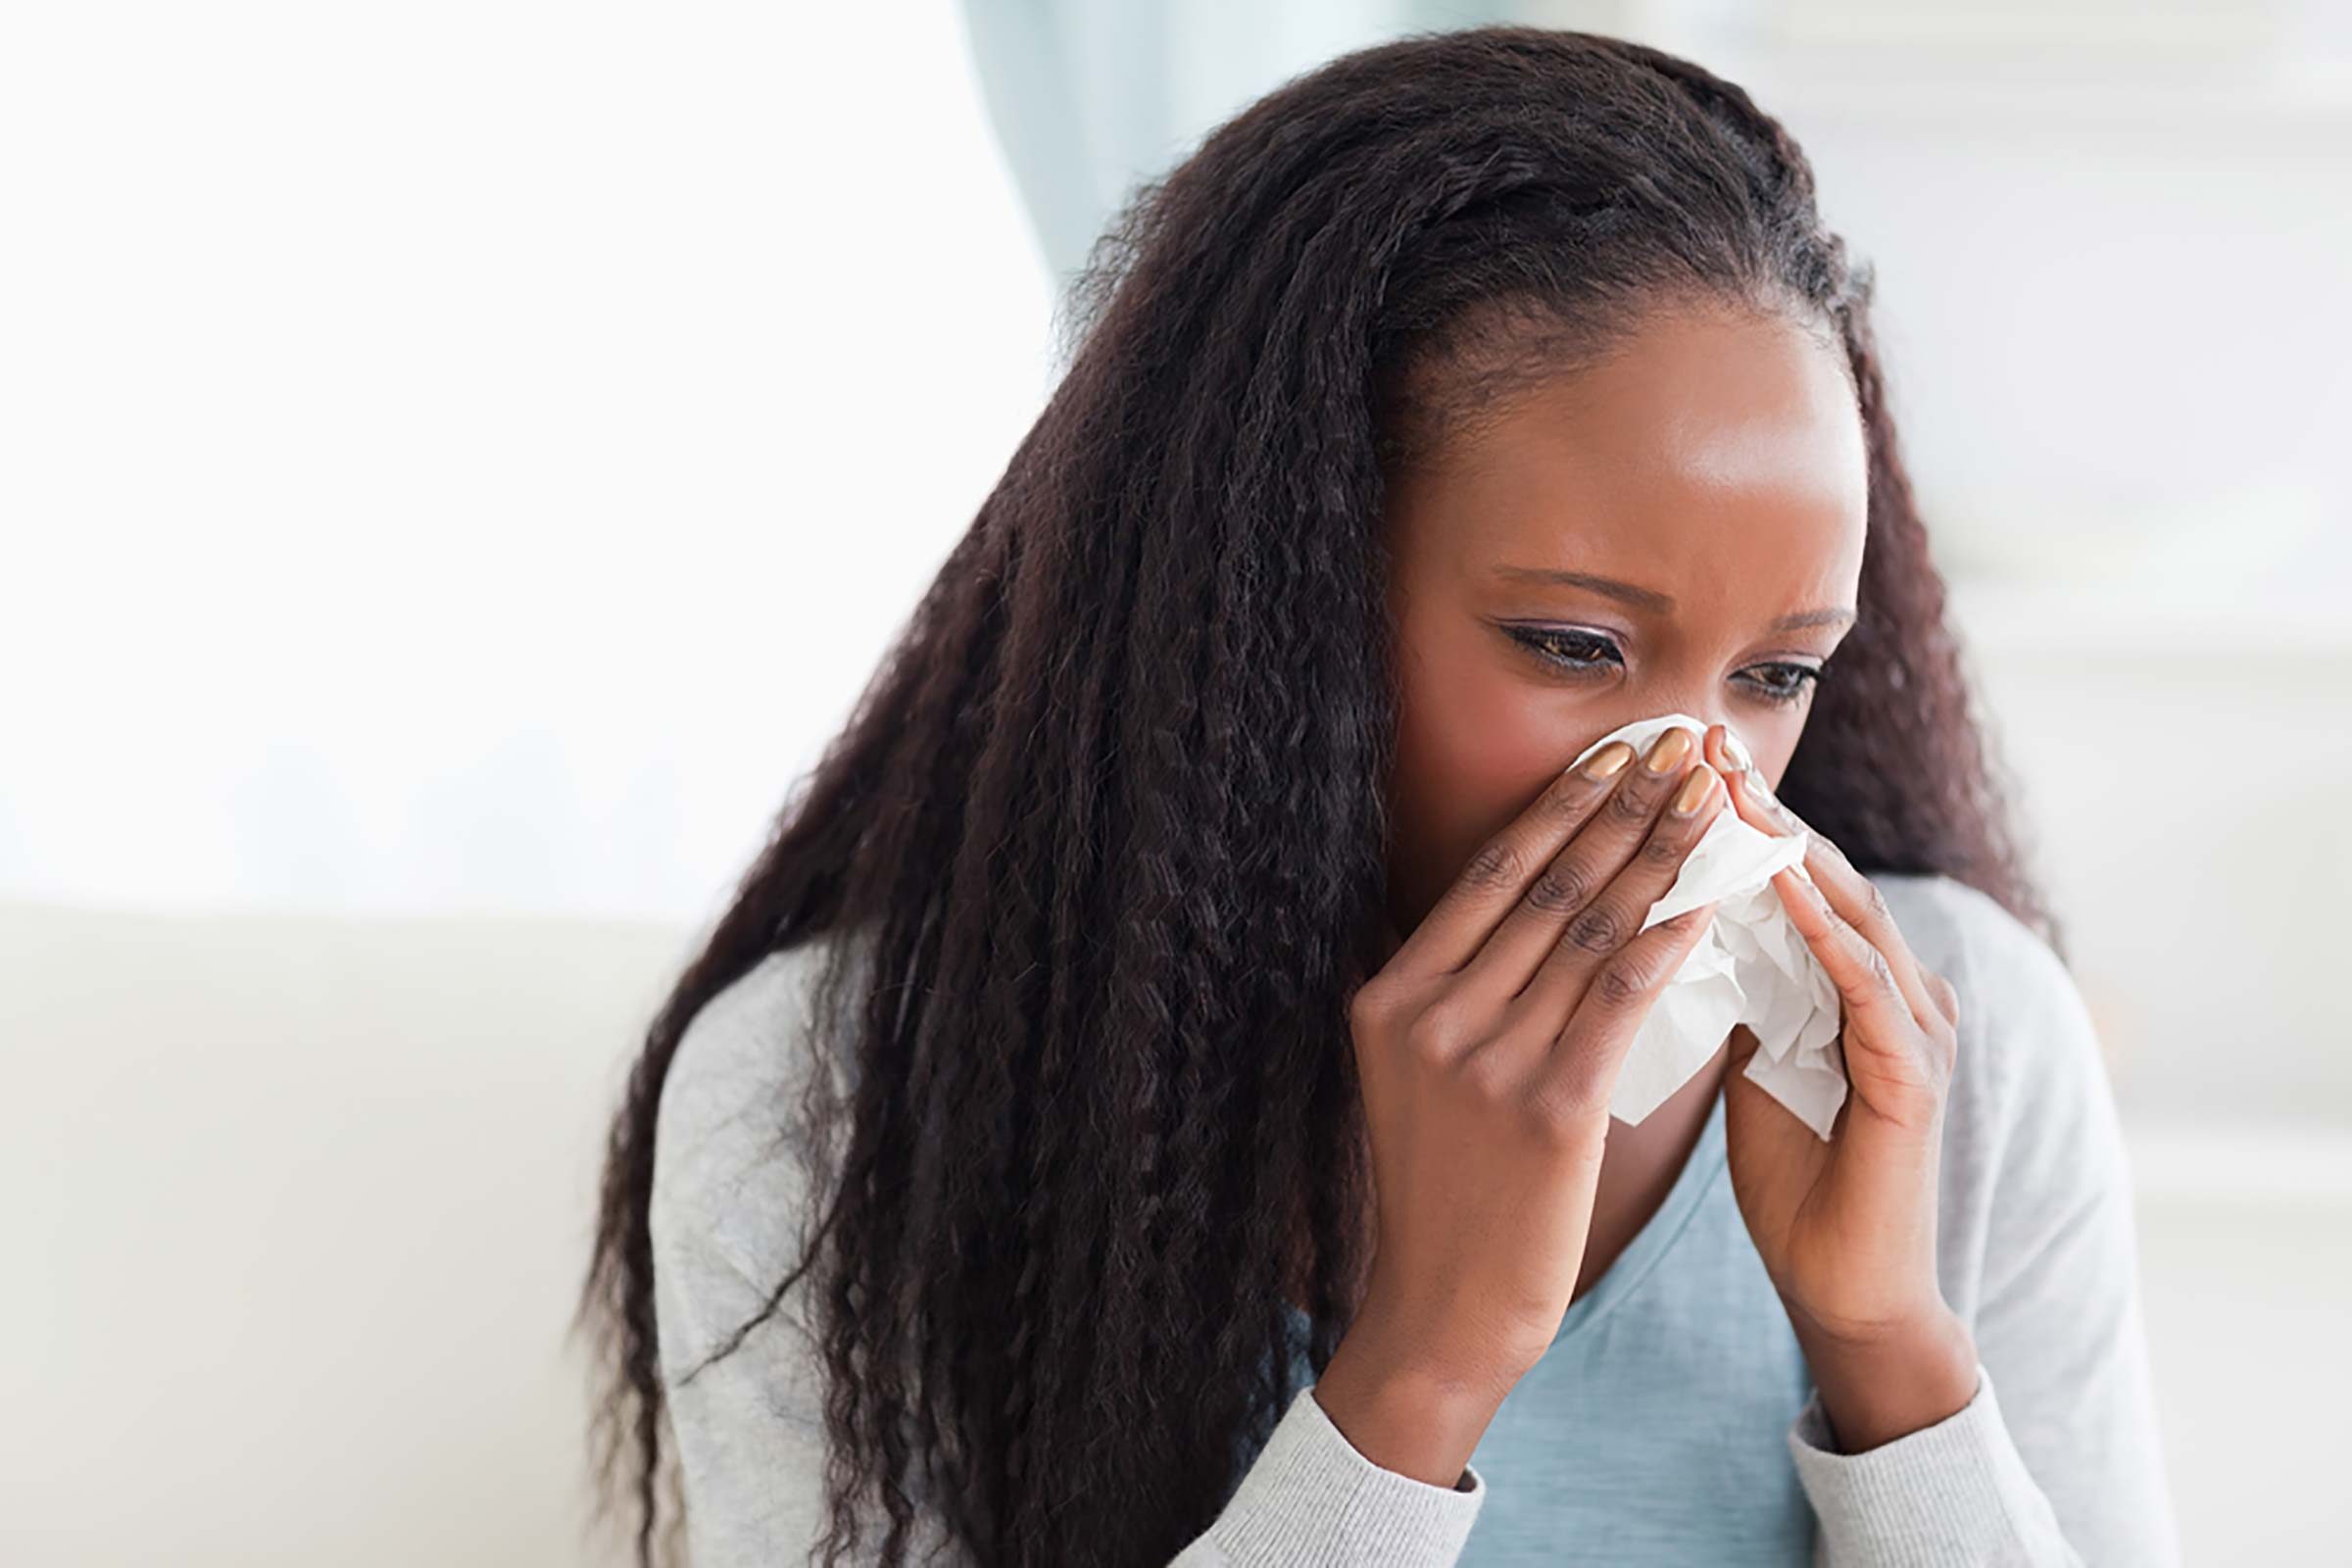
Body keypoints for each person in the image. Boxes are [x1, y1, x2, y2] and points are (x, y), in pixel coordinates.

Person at [578, 24, 2178, 1567]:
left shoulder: (1965, 1043)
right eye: (1574, 643)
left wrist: (1888, 1354)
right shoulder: (831, 1092)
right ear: (1266, 605)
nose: (1701, 789)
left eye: (1778, 676)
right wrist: (1422, 1371)